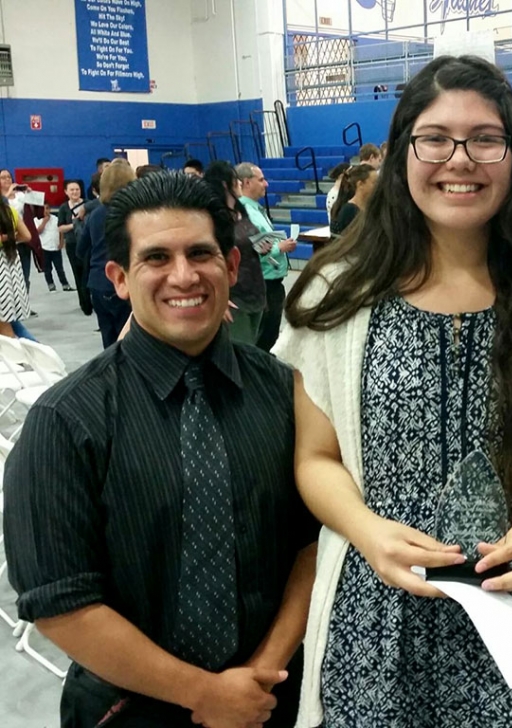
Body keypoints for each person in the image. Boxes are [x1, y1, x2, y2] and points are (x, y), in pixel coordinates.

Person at [273, 54, 512, 727]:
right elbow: (315, 459)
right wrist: (367, 532)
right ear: (404, 150)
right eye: (435, 138)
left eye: (485, 139)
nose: (459, 159)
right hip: (382, 612)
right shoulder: (337, 288)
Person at [2, 172, 318, 727]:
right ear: (120, 279)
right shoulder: (65, 420)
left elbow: (311, 547)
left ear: (233, 267)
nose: (183, 275)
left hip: (269, 697)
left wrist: (258, 678)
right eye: (156, 258)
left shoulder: (285, 391)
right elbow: (59, 602)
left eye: (201, 253)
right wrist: (203, 694)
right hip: (128, 708)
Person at [236, 162, 297, 352]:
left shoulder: (255, 209)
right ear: (246, 182)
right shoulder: (246, 214)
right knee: (264, 336)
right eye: (261, 180)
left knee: (269, 334)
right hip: (264, 284)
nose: (266, 184)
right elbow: (251, 251)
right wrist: (279, 248)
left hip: (271, 282)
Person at [203, 161, 266, 346]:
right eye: (235, 180)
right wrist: (218, 298)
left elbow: (251, 239)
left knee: (254, 347)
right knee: (241, 349)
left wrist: (264, 245)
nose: (239, 183)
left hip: (255, 289)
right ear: (225, 184)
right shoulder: (212, 216)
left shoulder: (241, 209)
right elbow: (209, 259)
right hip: (232, 295)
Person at [77, 160, 136, 348]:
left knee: (108, 339)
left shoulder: (95, 214)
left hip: (97, 283)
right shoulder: (131, 214)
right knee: (127, 338)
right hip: (122, 281)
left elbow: (80, 250)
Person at [0, 196, 32, 337]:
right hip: (9, 265)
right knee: (11, 324)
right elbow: (26, 236)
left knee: (6, 328)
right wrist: (9, 237)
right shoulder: (10, 211)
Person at [57, 180, 91, 312]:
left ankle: (92, 299)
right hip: (72, 244)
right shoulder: (64, 207)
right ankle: (84, 303)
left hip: (88, 243)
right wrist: (74, 224)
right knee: (78, 274)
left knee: (88, 272)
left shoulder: (88, 204)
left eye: (77, 189)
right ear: (66, 192)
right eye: (71, 190)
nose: (75, 192)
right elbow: (60, 228)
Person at [328, 164, 378, 236]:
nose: (378, 186)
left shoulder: (368, 208)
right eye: (374, 182)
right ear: (360, 184)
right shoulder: (350, 211)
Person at [35, 203, 74, 292]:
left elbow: (60, 231)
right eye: (43, 209)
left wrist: (61, 242)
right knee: (47, 269)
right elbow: (38, 232)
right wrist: (44, 221)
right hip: (44, 248)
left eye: (47, 208)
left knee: (59, 268)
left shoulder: (56, 219)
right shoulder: (37, 220)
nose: (46, 211)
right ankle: (51, 285)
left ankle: (65, 284)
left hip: (55, 247)